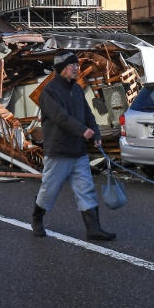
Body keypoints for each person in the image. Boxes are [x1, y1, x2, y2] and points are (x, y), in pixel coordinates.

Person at [31, 51, 116, 241]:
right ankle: (37, 219)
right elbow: (59, 117)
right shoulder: (49, 91)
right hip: (59, 151)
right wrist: (81, 130)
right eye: (73, 65)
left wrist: (95, 133)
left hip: (78, 151)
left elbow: (88, 114)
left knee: (86, 189)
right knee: (49, 190)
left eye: (77, 65)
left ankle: (93, 228)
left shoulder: (77, 89)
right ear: (62, 68)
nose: (77, 68)